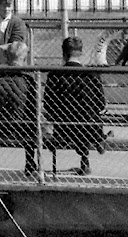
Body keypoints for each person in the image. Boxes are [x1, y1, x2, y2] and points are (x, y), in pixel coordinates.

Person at [44, 35, 106, 173]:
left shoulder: (55, 75)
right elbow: (101, 104)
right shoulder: (91, 75)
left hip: (63, 126)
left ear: (64, 53)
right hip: (89, 126)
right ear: (81, 52)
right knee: (87, 116)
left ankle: (57, 143)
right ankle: (91, 148)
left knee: (58, 122)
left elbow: (48, 104)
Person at [0, 39, 39, 176]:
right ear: (24, 58)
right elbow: (34, 107)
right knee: (32, 122)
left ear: (7, 57)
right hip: (23, 129)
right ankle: (30, 162)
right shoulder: (29, 80)